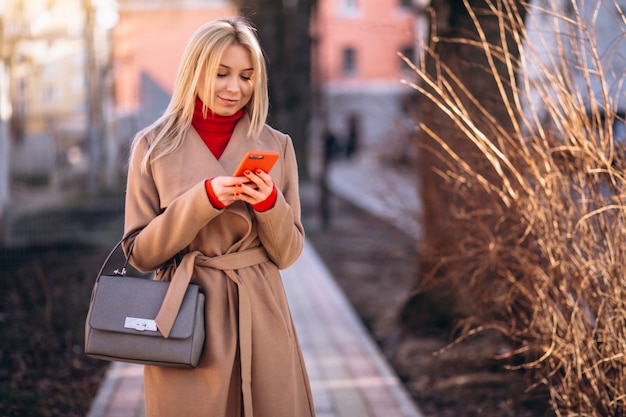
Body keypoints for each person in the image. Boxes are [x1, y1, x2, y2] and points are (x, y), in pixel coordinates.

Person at [122, 17, 316, 417]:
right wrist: (203, 199)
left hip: (260, 310)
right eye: (221, 73)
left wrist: (268, 205)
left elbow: (289, 253)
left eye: (246, 76)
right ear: (195, 71)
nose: (235, 88)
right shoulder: (152, 146)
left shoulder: (277, 144)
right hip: (183, 313)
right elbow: (139, 253)